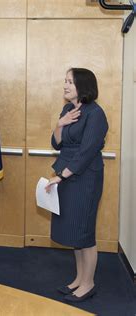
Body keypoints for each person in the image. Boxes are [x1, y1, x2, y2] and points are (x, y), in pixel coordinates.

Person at [45, 68, 108, 302]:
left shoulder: (96, 114)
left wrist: (62, 176)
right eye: (65, 81)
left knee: (84, 232)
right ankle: (79, 279)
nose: (65, 85)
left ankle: (88, 283)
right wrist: (59, 124)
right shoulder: (68, 109)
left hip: (85, 178)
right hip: (67, 173)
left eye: (70, 81)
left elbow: (86, 152)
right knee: (74, 231)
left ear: (83, 85)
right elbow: (58, 143)